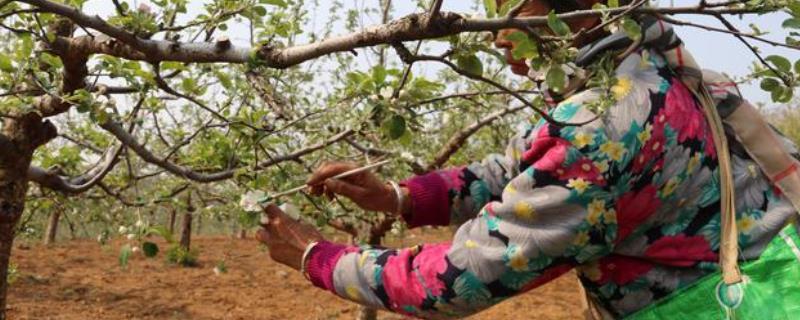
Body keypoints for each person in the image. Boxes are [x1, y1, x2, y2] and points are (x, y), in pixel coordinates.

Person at [256, 0, 800, 319]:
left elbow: (456, 279)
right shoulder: (642, 64)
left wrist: (316, 257)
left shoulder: (600, 124)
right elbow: (519, 168)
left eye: (507, 9)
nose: (492, 33)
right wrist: (398, 196)